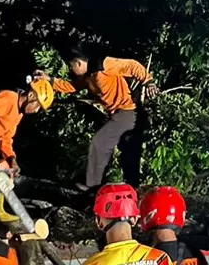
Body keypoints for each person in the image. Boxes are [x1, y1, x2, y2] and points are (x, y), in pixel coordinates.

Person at [49, 46, 159, 191]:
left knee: (103, 144)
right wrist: (50, 80)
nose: (71, 70)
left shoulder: (103, 64)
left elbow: (131, 65)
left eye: (71, 66)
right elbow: (72, 86)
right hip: (115, 115)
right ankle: (114, 188)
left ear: (79, 63)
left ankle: (97, 186)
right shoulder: (87, 77)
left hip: (127, 111)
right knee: (122, 152)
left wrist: (148, 81)